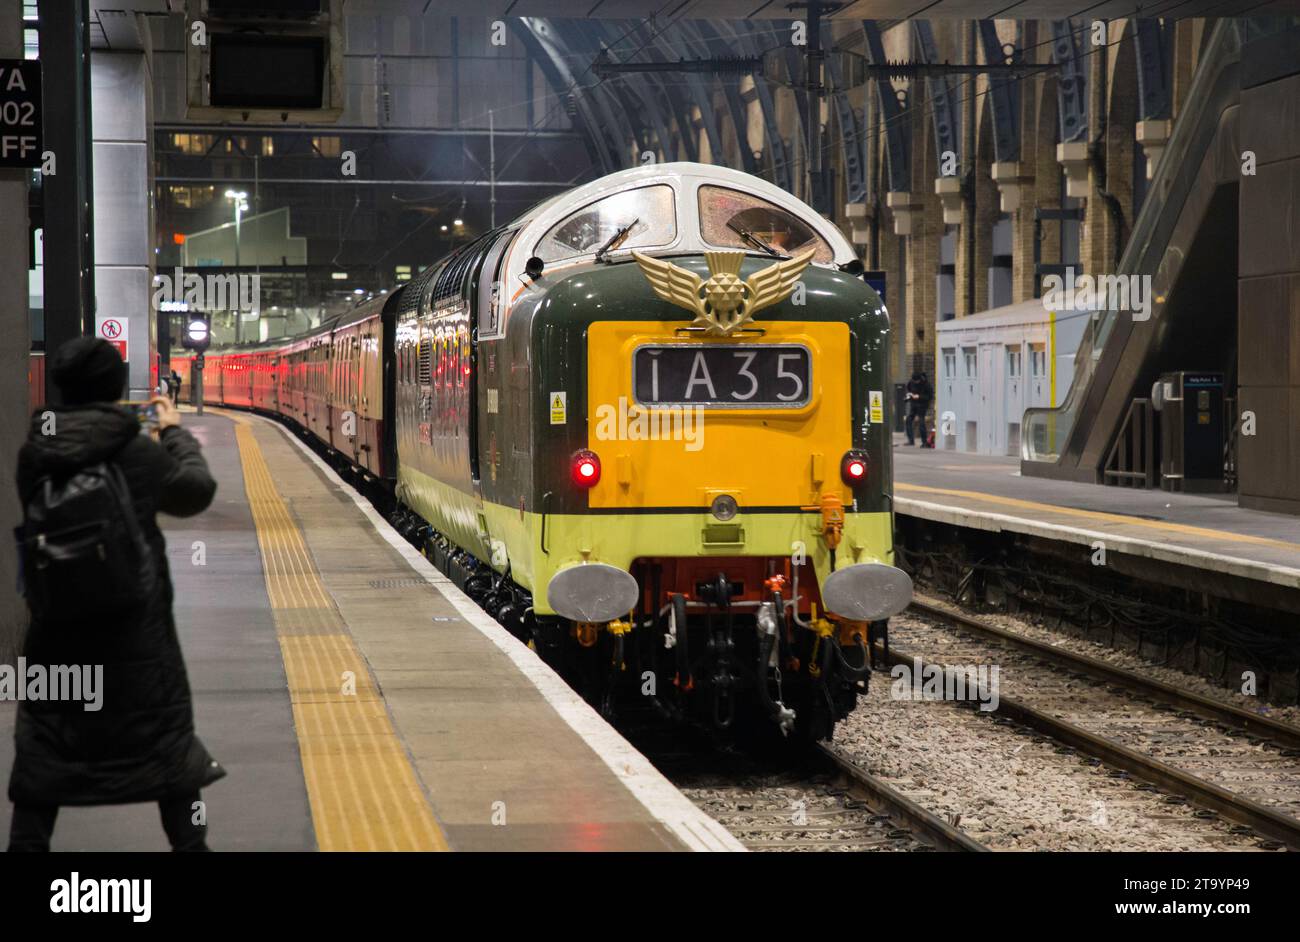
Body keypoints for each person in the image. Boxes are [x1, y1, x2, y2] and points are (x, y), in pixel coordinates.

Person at [8, 337, 224, 852]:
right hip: (136, 637)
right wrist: (175, 435)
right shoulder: (135, 452)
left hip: (56, 634)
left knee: (43, 762)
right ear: (115, 388)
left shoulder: (35, 453)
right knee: (172, 759)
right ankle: (192, 846)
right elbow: (195, 493)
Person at [905, 370, 934, 447]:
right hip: (914, 404)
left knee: (921, 422)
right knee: (908, 420)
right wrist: (910, 395)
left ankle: (924, 442)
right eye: (914, 381)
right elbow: (908, 389)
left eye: (917, 381)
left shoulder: (926, 384)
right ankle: (911, 440)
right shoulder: (911, 382)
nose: (916, 382)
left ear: (920, 379)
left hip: (922, 405)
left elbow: (930, 396)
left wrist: (919, 396)